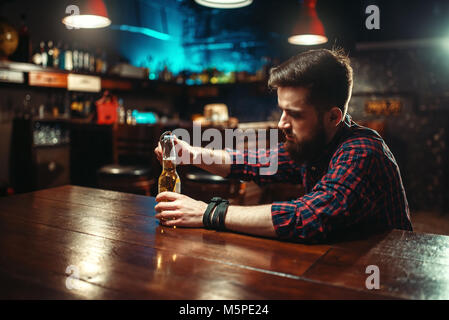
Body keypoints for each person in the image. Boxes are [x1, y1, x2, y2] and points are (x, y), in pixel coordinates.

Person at [154, 48, 413, 243]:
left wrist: (207, 213)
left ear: (334, 116)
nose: (282, 124)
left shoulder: (362, 151)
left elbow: (308, 217)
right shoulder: (316, 144)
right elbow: (254, 162)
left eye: (295, 114)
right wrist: (191, 153)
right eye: (281, 111)